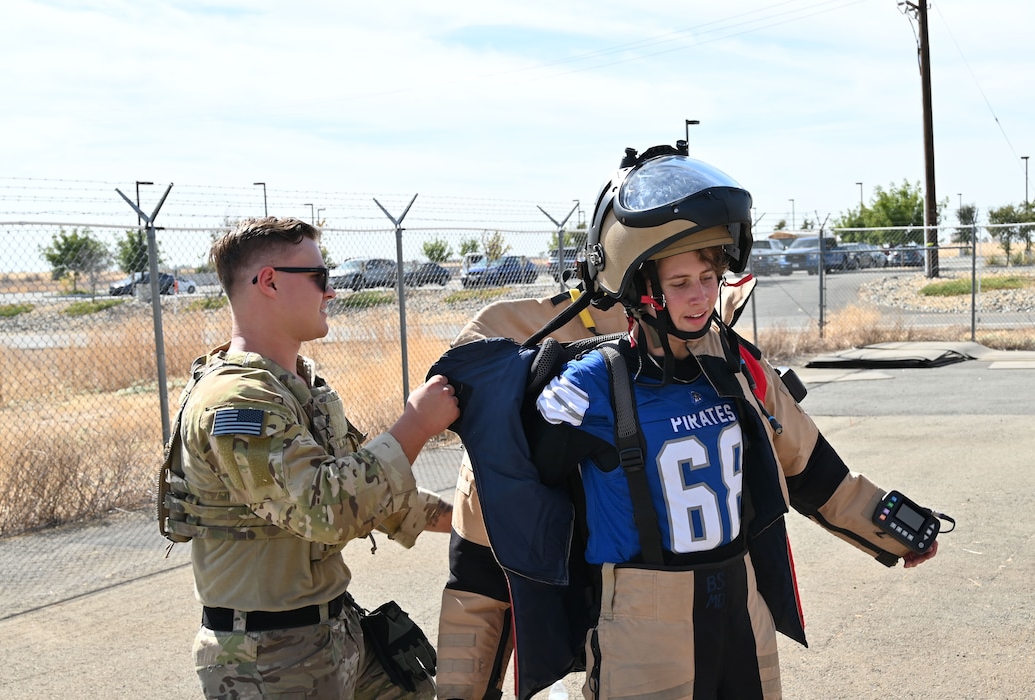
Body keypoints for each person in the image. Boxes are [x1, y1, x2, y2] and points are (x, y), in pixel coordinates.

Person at [430, 143, 938, 699]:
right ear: (640, 276)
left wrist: (894, 529)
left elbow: (808, 464)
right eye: (679, 279)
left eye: (707, 274)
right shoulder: (551, 361)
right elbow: (483, 557)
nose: (698, 295)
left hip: (729, 614)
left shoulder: (721, 354)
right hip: (632, 631)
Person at [160, 217, 459, 699]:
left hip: (333, 631)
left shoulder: (297, 386)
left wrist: (465, 519)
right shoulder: (237, 402)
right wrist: (416, 425)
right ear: (270, 282)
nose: (332, 292)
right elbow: (326, 509)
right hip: (268, 659)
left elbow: (364, 489)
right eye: (320, 277)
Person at [436, 288, 629, 700]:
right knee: (463, 676)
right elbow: (453, 387)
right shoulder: (506, 320)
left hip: (602, 529)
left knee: (623, 661)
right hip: (491, 529)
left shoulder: (684, 315)